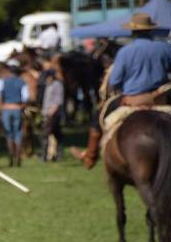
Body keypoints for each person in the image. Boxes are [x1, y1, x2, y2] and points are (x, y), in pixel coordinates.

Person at [71, 13, 171, 168]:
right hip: (161, 98)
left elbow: (115, 81)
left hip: (132, 100)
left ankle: (90, 156)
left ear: (132, 31)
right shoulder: (165, 48)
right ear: (150, 30)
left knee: (98, 117)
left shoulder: (125, 52)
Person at [0, 59, 29, 167]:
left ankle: (11, 157)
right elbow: (25, 98)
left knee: (8, 134)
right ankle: (18, 157)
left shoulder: (2, 81)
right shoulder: (22, 82)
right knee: (18, 133)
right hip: (17, 108)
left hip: (6, 109)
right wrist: (22, 107)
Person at [40, 69, 64, 161]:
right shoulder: (48, 85)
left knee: (45, 134)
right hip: (48, 113)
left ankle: (44, 156)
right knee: (56, 134)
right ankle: (58, 155)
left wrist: (50, 113)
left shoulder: (57, 85)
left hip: (53, 114)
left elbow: (58, 102)